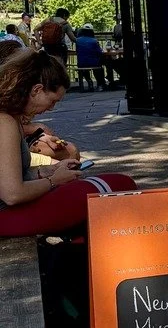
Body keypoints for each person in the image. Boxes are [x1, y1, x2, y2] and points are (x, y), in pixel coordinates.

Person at [0, 49, 136, 238]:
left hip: (9, 212)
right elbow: (12, 194)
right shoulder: (5, 121)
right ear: (37, 90)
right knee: (119, 184)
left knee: (110, 186)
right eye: (53, 100)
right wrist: (53, 181)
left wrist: (45, 172)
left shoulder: (9, 117)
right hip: (6, 215)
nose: (51, 108)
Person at [75, 25, 107, 91]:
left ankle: (89, 81)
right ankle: (100, 84)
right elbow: (99, 52)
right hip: (94, 62)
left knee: (83, 67)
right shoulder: (94, 41)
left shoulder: (77, 40)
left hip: (81, 63)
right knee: (99, 66)